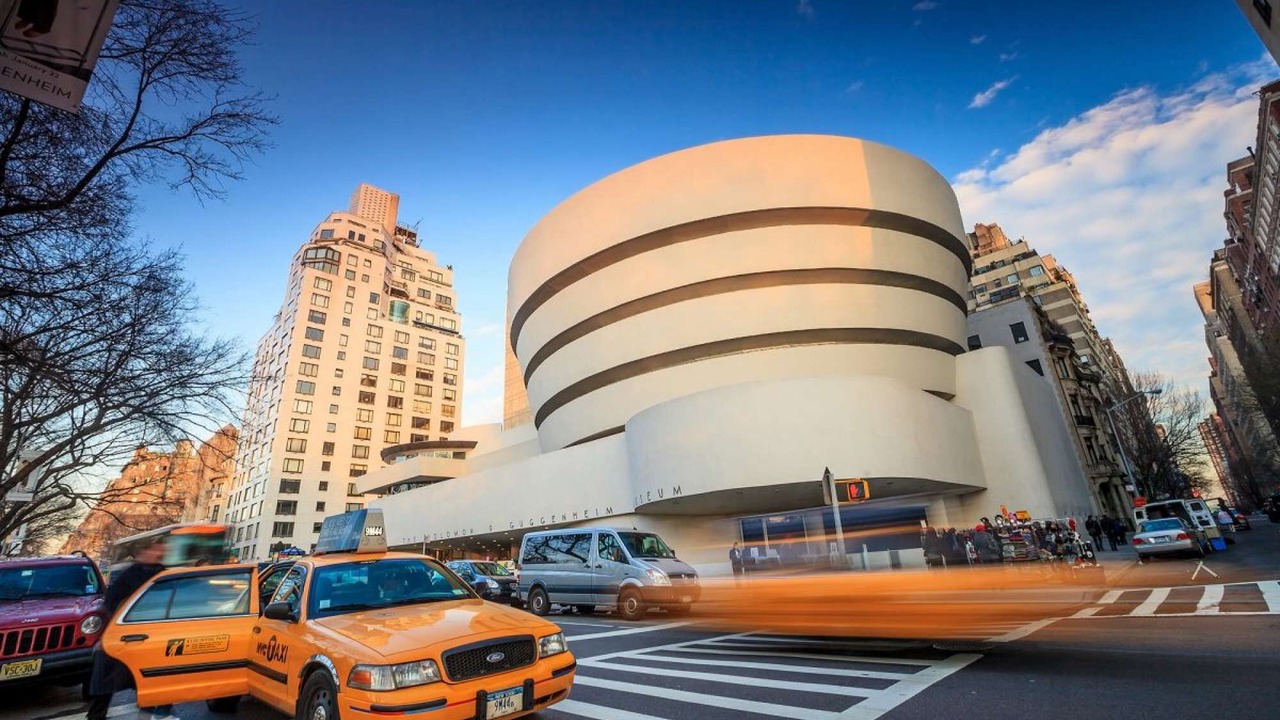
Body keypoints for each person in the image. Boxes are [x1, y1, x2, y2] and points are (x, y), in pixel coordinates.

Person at [87, 538, 170, 720]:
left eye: (162, 550)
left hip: (153, 632)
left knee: (150, 680)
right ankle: (96, 715)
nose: (161, 553)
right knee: (108, 677)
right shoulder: (130, 574)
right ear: (144, 551)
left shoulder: (162, 573)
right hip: (126, 632)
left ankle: (147, 714)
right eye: (157, 550)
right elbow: (111, 602)